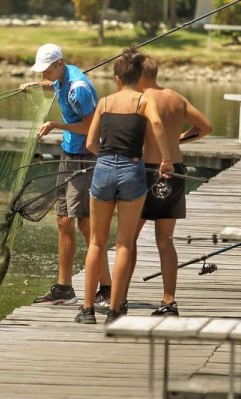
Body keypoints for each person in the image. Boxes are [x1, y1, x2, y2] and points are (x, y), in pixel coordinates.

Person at [74, 48, 173, 324]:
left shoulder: (104, 103)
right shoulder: (143, 101)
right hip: (132, 170)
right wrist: (166, 159)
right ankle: (115, 311)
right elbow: (155, 122)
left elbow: (91, 143)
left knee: (96, 241)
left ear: (117, 78)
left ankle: (87, 309)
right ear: (138, 77)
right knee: (124, 244)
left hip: (104, 168)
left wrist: (107, 156)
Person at [19, 43, 112, 306]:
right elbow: (54, 86)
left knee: (84, 223)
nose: (43, 75)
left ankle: (106, 287)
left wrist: (56, 125)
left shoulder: (78, 88)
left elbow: (93, 125)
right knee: (62, 219)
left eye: (45, 70)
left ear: (59, 64)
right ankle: (64, 288)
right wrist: (36, 86)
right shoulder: (62, 76)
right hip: (68, 153)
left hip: (85, 156)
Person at [128, 54, 212, 317]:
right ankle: (168, 300)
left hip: (147, 171)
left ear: (139, 76)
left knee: (128, 238)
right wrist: (177, 141)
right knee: (165, 240)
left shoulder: (140, 99)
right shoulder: (177, 97)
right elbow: (206, 127)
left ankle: (119, 296)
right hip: (174, 171)